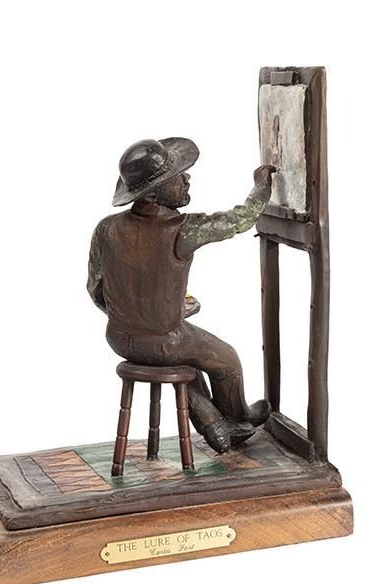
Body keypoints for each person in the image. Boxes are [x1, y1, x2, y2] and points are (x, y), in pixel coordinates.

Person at [87, 137, 276, 453]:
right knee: (226, 359)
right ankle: (237, 419)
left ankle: (213, 423)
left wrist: (137, 314)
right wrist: (261, 186)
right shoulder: (182, 228)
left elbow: (95, 288)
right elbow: (240, 220)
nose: (187, 178)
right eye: (176, 176)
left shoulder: (105, 229)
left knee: (188, 364)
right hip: (167, 340)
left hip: (118, 338)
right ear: (153, 194)